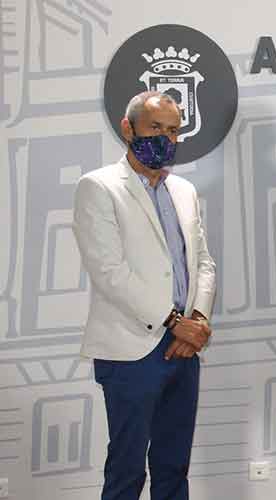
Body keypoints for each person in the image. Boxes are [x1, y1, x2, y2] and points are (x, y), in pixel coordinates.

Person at [72, 90, 216, 500]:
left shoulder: (184, 190)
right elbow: (108, 271)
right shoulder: (98, 187)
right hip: (130, 350)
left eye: (173, 131)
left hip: (184, 350)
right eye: (155, 128)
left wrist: (199, 322)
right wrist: (177, 323)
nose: (165, 139)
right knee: (127, 469)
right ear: (127, 127)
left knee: (174, 467)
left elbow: (202, 262)